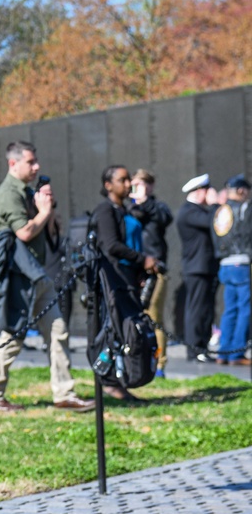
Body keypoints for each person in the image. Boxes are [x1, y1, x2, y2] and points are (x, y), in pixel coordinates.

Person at [0, 142, 95, 413]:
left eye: (36, 161)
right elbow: (24, 233)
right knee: (13, 335)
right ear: (13, 164)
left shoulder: (27, 192)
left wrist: (48, 209)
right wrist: (42, 212)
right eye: (30, 162)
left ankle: (64, 393)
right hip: (20, 276)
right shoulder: (8, 194)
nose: (36, 167)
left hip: (37, 275)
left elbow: (51, 233)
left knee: (58, 330)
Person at [91, 165, 159, 401]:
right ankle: (109, 383)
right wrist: (143, 260)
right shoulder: (104, 211)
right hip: (113, 281)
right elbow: (111, 245)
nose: (128, 183)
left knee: (127, 332)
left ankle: (122, 380)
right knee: (112, 331)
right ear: (108, 185)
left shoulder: (126, 210)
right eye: (122, 180)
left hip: (129, 280)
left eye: (129, 179)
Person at [128, 169, 173, 377]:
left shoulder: (157, 207)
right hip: (133, 271)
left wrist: (145, 201)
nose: (136, 189)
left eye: (141, 185)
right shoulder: (129, 209)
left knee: (154, 317)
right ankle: (140, 360)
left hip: (155, 271)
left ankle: (160, 363)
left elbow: (164, 218)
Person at [177, 174, 218, 362]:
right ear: (199, 191)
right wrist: (216, 204)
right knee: (196, 310)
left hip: (206, 267)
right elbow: (214, 221)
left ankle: (202, 346)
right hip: (196, 268)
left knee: (206, 309)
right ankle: (194, 350)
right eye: (206, 190)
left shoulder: (197, 211)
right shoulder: (189, 212)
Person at [211, 175, 251, 366]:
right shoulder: (244, 208)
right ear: (242, 190)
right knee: (245, 309)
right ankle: (237, 354)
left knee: (230, 310)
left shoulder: (221, 210)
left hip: (225, 264)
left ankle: (223, 352)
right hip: (241, 263)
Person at [36, 176, 74, 331]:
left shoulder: (54, 218)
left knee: (62, 321)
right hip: (44, 274)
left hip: (59, 275)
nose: (49, 197)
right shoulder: (36, 215)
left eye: (51, 193)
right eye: (45, 193)